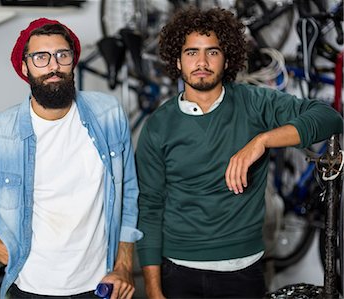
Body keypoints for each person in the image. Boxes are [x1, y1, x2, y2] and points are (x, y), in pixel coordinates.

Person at [0, 18, 142, 299]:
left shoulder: (108, 113)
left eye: (62, 55)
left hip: (99, 286)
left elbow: (129, 194)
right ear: (25, 67)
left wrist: (123, 265)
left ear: (73, 61)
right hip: (30, 287)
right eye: (41, 57)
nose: (53, 66)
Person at [135, 6, 343, 299]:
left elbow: (328, 117)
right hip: (177, 271)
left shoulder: (254, 103)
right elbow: (150, 208)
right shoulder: (159, 125)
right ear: (177, 61)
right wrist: (154, 290)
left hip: (242, 271)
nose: (202, 61)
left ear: (228, 58)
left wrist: (263, 140)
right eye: (192, 52)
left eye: (213, 52)